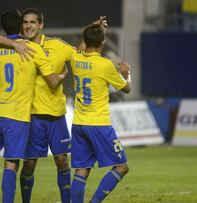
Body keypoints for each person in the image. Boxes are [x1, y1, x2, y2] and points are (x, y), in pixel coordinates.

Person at [0, 8, 107, 203]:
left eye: (33, 22)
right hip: (31, 115)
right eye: (25, 22)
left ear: (41, 25)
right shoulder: (17, 47)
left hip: (56, 115)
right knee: (30, 164)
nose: (28, 26)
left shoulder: (57, 45)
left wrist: (93, 30)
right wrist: (58, 77)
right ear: (21, 25)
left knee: (62, 161)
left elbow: (80, 52)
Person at [0, 9, 66, 203]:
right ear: (21, 26)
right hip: (17, 116)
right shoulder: (34, 50)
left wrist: (11, 43)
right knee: (11, 164)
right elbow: (52, 82)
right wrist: (61, 76)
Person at [69, 24, 131, 203]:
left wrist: (92, 27)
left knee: (82, 170)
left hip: (79, 123)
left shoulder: (75, 59)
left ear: (85, 40)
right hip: (98, 124)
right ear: (103, 42)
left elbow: (81, 48)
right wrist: (126, 73)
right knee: (122, 167)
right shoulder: (105, 64)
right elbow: (127, 89)